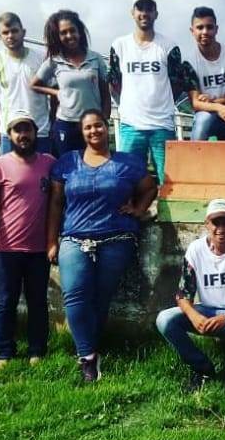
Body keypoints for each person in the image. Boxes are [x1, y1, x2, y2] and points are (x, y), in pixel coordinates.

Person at [48, 109, 157, 382]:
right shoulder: (67, 162)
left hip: (116, 237)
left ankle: (91, 348)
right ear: (81, 132)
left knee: (101, 297)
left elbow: (149, 187)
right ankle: (87, 356)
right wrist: (51, 241)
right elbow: (56, 203)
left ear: (107, 128)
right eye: (88, 127)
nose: (94, 131)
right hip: (74, 237)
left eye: (98, 125)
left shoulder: (128, 162)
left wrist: (139, 209)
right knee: (74, 294)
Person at [155, 199, 225, 393]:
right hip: (206, 311)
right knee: (164, 319)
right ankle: (202, 368)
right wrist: (194, 317)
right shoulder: (196, 250)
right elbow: (183, 295)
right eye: (215, 222)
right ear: (207, 224)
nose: (220, 228)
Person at [0, 114, 57, 369]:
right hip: (7, 247)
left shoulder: (49, 163)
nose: (23, 135)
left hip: (39, 249)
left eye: (27, 130)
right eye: (17, 131)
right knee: (6, 301)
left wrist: (52, 241)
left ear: (35, 133)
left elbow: (57, 202)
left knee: (38, 301)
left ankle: (37, 350)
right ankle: (4, 352)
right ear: (9, 135)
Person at [108, 0, 185, 184]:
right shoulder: (119, 45)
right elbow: (114, 83)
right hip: (130, 125)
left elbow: (177, 83)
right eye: (140, 8)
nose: (144, 13)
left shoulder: (169, 46)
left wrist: (162, 103)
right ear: (132, 13)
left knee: (169, 182)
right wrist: (129, 104)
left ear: (156, 14)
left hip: (162, 125)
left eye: (149, 9)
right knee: (127, 180)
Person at [31, 10, 111, 157]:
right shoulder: (54, 61)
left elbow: (106, 94)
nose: (69, 36)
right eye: (63, 33)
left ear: (79, 32)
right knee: (67, 165)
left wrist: (104, 120)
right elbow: (34, 85)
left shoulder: (96, 58)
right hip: (66, 124)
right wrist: (55, 92)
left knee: (96, 163)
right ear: (58, 36)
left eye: (72, 30)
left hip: (92, 125)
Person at [0, 12, 52, 154]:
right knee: (9, 169)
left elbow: (54, 92)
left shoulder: (42, 57)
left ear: (23, 32)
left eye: (14, 31)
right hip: (9, 133)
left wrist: (53, 124)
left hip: (40, 131)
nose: (10, 36)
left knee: (43, 168)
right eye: (5, 32)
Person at [181, 7, 225, 141]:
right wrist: (218, 108)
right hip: (207, 116)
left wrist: (214, 102)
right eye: (200, 27)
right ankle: (195, 153)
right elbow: (195, 102)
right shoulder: (188, 62)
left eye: (209, 27)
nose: (205, 32)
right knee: (203, 120)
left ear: (216, 29)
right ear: (192, 31)